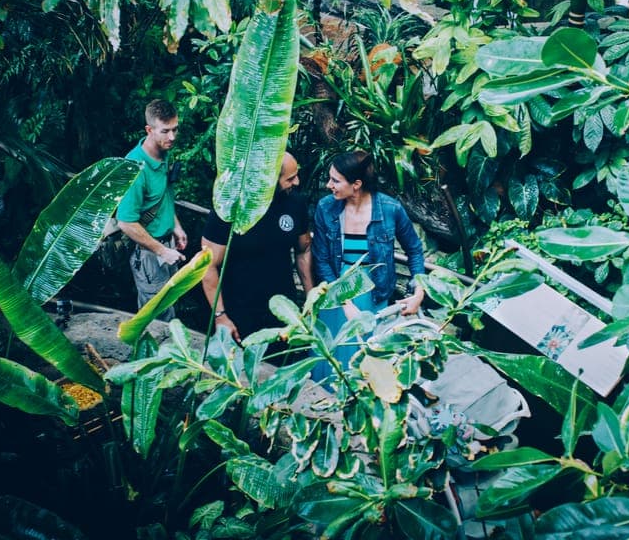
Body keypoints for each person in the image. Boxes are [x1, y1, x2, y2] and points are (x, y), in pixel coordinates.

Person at [312, 150, 426, 377]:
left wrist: (419, 291)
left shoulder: (390, 209)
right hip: (336, 288)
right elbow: (322, 259)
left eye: (335, 180)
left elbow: (414, 250)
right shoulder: (326, 208)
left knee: (369, 357)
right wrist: (344, 302)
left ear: (356, 184)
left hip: (373, 290)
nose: (328, 185)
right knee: (333, 355)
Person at [201, 152, 313, 343]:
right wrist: (220, 316)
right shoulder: (230, 206)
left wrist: (311, 298)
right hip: (239, 310)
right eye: (290, 178)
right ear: (270, 179)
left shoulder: (296, 203)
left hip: (282, 308)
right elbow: (206, 265)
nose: (297, 182)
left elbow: (303, 251)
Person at [116, 99, 187, 321]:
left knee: (171, 306)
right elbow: (126, 222)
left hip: (167, 245)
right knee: (157, 318)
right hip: (149, 253)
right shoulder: (135, 168)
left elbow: (162, 195)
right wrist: (162, 251)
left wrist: (176, 225)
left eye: (175, 129)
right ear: (149, 130)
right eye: (165, 131)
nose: (172, 137)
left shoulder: (164, 153)